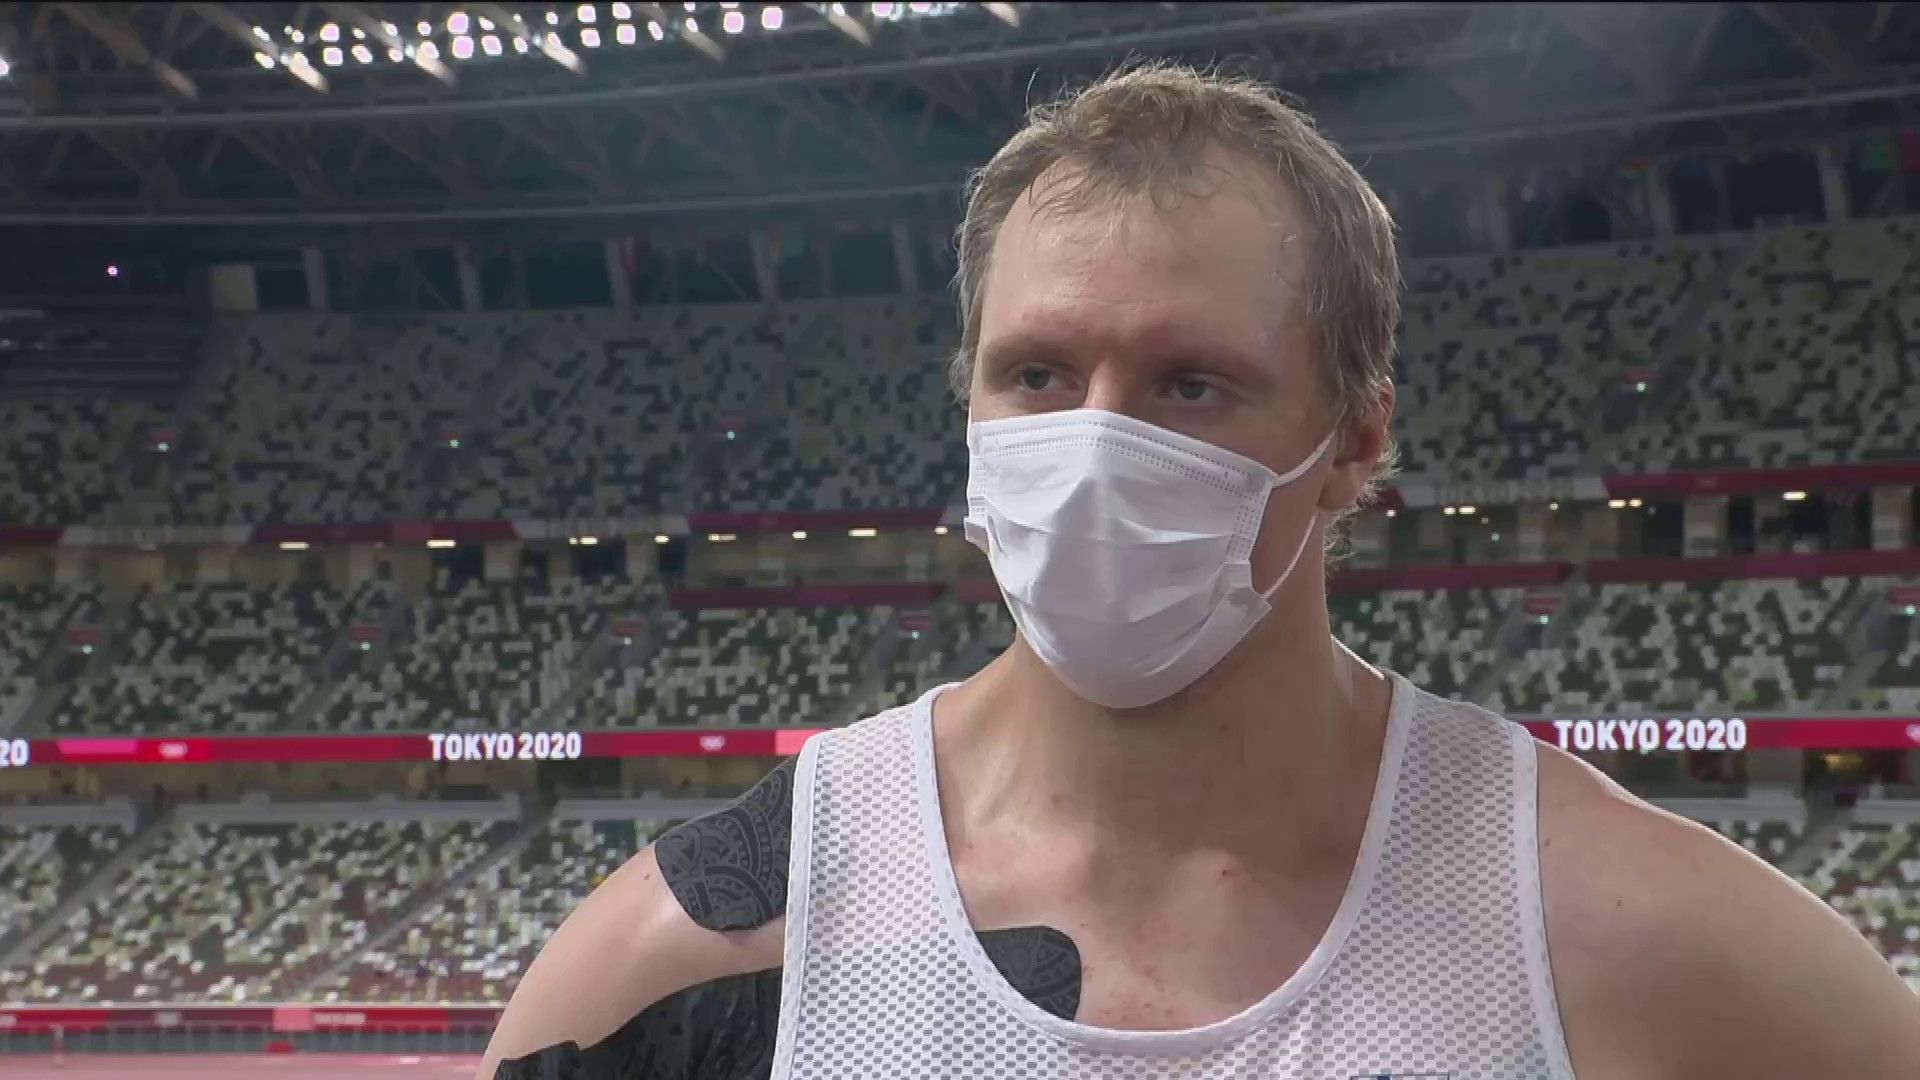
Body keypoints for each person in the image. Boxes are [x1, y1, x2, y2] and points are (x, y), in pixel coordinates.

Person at [478, 61, 1920, 1079]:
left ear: (1355, 441)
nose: (1095, 445)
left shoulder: (1638, 941)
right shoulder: (697, 962)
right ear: (969, 401)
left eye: (1189, 385)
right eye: (1037, 374)